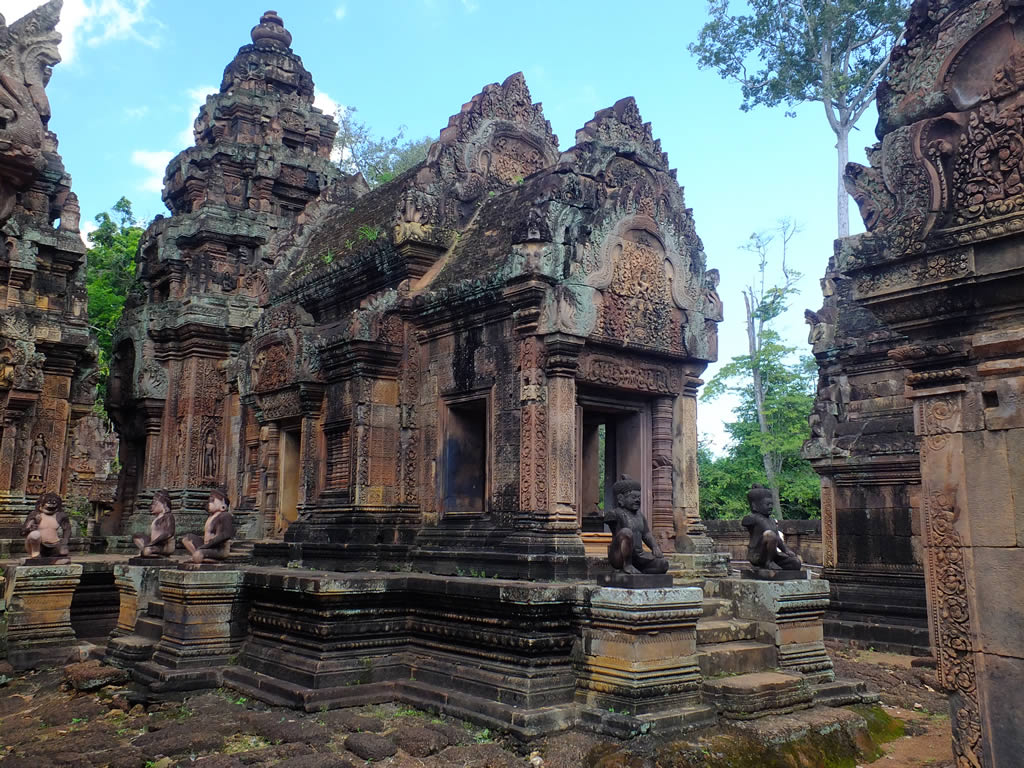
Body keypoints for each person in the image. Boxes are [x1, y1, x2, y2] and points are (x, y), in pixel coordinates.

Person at [605, 474, 668, 575]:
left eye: (639, 497)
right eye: (633, 497)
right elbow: (619, 534)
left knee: (663, 564)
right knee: (626, 532)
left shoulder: (640, 516)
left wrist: (655, 547)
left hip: (639, 556)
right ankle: (627, 565)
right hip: (619, 556)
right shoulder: (614, 514)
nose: (637, 500)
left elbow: (646, 534)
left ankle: (640, 571)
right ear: (621, 498)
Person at [742, 484, 802, 570]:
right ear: (755, 505)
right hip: (757, 555)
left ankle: (771, 562)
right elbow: (745, 522)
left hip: (773, 555)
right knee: (769, 535)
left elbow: (778, 538)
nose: (770, 506)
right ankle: (768, 563)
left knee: (796, 563)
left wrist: (786, 550)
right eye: (767, 504)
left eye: (771, 504)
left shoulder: (772, 521)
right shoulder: (752, 518)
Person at [182, 489, 234, 564]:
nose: (209, 503)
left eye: (212, 501)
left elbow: (226, 534)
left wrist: (209, 545)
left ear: (222, 502)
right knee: (186, 539)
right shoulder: (211, 516)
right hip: (207, 546)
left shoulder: (225, 516)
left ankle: (202, 558)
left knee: (198, 555)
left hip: (219, 548)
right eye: (209, 501)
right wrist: (205, 546)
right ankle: (202, 558)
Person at [22, 492, 70, 562]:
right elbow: (23, 532)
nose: (51, 506)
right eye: (48, 503)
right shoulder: (35, 515)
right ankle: (35, 553)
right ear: (41, 504)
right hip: (38, 544)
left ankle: (54, 553)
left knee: (64, 552)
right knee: (35, 535)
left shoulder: (60, 516)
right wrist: (30, 529)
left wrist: (65, 541)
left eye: (53, 504)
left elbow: (67, 529)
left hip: (54, 544)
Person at [132, 489, 176, 557]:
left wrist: (153, 542)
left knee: (147, 551)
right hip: (154, 544)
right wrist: (151, 543)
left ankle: (156, 555)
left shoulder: (168, 516)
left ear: (164, 504)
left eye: (155, 504)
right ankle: (147, 552)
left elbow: (169, 533)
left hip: (164, 545)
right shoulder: (157, 517)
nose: (152, 507)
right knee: (136, 536)